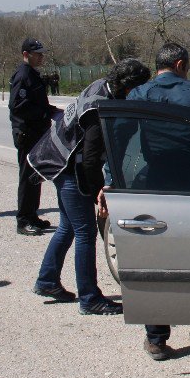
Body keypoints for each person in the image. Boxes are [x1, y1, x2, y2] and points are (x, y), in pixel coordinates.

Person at [122, 43, 190, 360]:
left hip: (159, 184)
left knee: (156, 259)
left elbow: (121, 135)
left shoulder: (140, 94)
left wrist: (113, 180)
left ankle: (157, 339)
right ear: (181, 64)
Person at [28, 58, 151, 315]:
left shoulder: (102, 86)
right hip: (71, 170)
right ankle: (90, 298)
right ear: (128, 86)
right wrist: (98, 191)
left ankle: (47, 281)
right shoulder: (99, 107)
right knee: (85, 233)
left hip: (58, 163)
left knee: (66, 227)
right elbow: (91, 157)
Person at [9, 38, 59, 236]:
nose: (41, 57)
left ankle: (32, 215)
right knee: (26, 178)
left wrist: (53, 111)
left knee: (35, 177)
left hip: (37, 133)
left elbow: (37, 102)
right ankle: (23, 220)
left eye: (41, 53)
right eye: (37, 53)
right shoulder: (23, 75)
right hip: (27, 134)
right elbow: (18, 106)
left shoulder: (33, 74)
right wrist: (45, 113)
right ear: (25, 54)